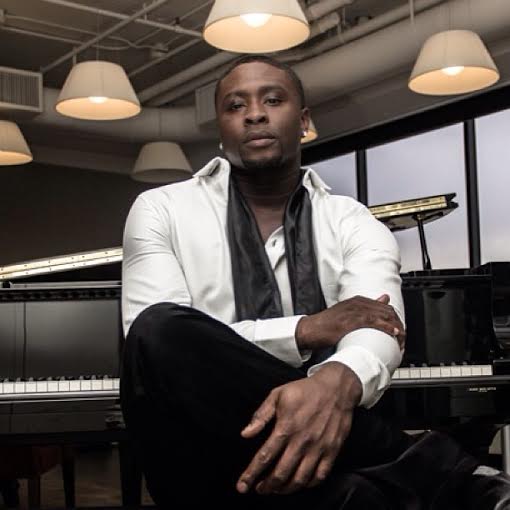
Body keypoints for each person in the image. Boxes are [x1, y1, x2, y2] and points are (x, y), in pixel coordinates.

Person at [120, 55, 510, 509]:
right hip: (201, 454)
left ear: (304, 122)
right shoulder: (161, 210)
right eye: (235, 105)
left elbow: (379, 327)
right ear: (222, 130)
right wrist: (307, 329)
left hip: (327, 451)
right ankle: (448, 478)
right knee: (159, 328)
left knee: (360, 496)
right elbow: (158, 351)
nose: (254, 114)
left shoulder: (353, 221)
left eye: (272, 100)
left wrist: (334, 383)